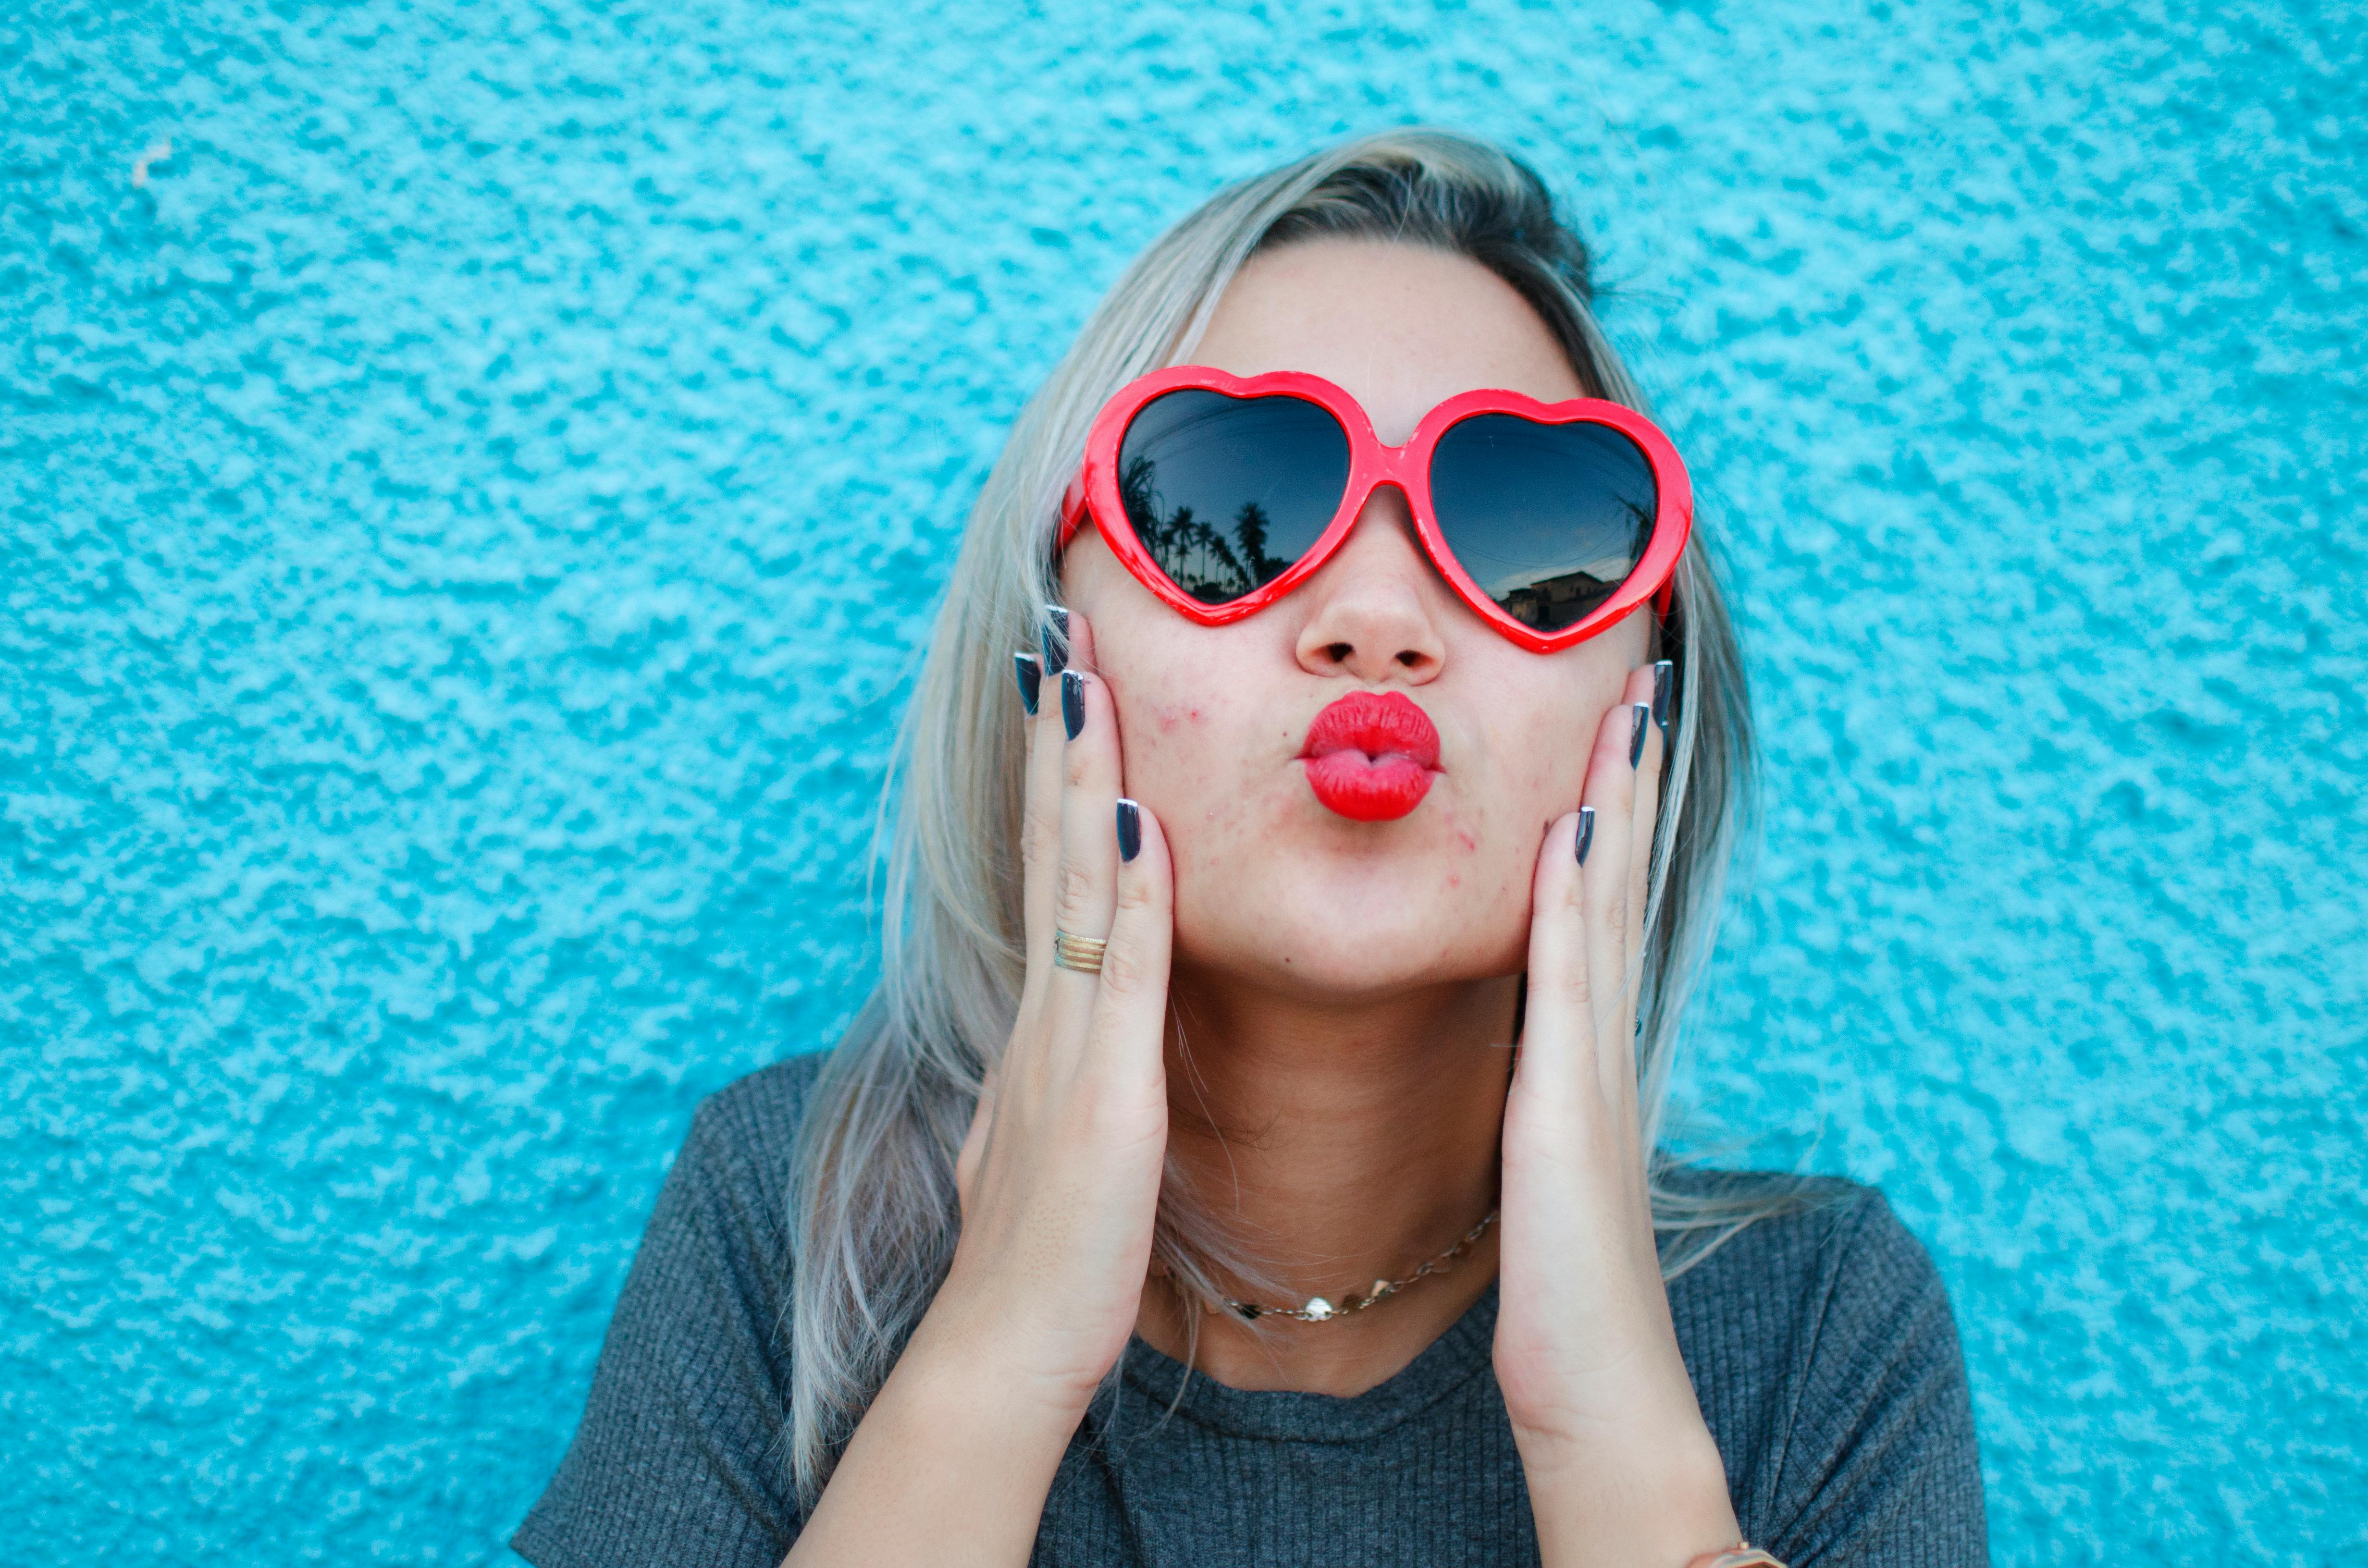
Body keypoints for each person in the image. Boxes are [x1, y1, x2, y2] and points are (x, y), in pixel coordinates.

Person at [513, 129, 1986, 1568]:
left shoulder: (1817, 1330)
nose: (1380, 619)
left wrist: (1607, 1434)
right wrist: (998, 1346)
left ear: (1648, 696)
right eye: (1234, 501)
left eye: (1526, 516)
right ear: (1052, 647)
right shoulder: (796, 1224)